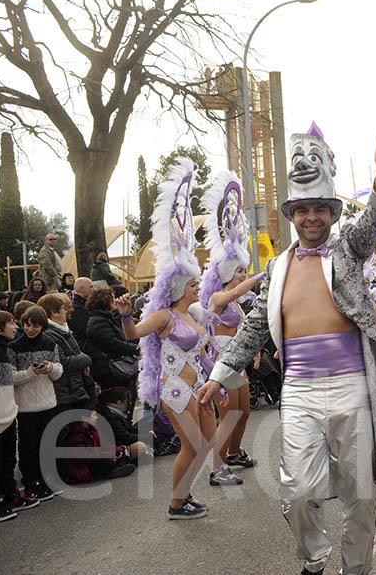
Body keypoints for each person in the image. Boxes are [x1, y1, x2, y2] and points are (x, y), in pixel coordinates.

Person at [198, 124, 376, 575]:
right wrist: (218, 374)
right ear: (293, 215)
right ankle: (313, 560)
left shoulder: (348, 248)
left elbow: (373, 219)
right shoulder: (276, 266)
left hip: (353, 387)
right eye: (303, 210)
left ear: (331, 212)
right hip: (299, 392)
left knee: (361, 496)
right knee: (297, 493)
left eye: (320, 209)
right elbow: (253, 326)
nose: (312, 217)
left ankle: (356, 569)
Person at [123, 159, 236, 520]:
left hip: (199, 388)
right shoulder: (164, 316)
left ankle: (184, 496)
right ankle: (175, 503)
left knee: (207, 444)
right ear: (177, 288)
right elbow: (132, 335)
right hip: (174, 389)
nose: (196, 286)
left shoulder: (195, 316)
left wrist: (216, 381)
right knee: (191, 446)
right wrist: (125, 313)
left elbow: (203, 354)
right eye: (191, 284)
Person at [198, 171, 265, 472]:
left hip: (236, 356)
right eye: (238, 271)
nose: (242, 275)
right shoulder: (216, 298)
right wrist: (263, 274)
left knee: (245, 411)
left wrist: (256, 351)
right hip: (222, 359)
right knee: (230, 414)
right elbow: (237, 290)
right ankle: (218, 466)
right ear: (226, 275)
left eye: (244, 270)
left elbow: (247, 327)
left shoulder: (236, 300)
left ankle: (234, 452)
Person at [9, 305, 63, 501]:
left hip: (48, 401)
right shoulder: (13, 347)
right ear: (22, 324)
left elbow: (59, 371)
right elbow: (12, 377)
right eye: (28, 325)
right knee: (28, 447)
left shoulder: (50, 344)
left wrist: (50, 368)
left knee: (46, 444)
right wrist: (31, 372)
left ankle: (45, 478)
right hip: (25, 405)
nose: (31, 330)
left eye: (36, 326)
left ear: (42, 327)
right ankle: (30, 481)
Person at [0, 310, 40, 520]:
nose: (15, 327)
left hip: (7, 414)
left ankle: (11, 496)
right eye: (11, 324)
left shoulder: (4, 349)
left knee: (7, 461)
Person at [39, 293, 95, 416]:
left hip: (74, 389)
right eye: (63, 309)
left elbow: (74, 354)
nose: (68, 312)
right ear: (54, 312)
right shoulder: (49, 334)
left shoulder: (64, 329)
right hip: (65, 392)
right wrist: (86, 359)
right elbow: (63, 362)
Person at [84, 289, 139, 391]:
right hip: (107, 369)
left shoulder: (106, 318)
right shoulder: (98, 320)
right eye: (112, 298)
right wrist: (136, 349)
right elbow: (112, 343)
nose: (115, 300)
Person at [68, 277, 94, 349]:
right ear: (81, 288)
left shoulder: (86, 304)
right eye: (91, 287)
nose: (93, 289)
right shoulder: (76, 308)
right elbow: (86, 329)